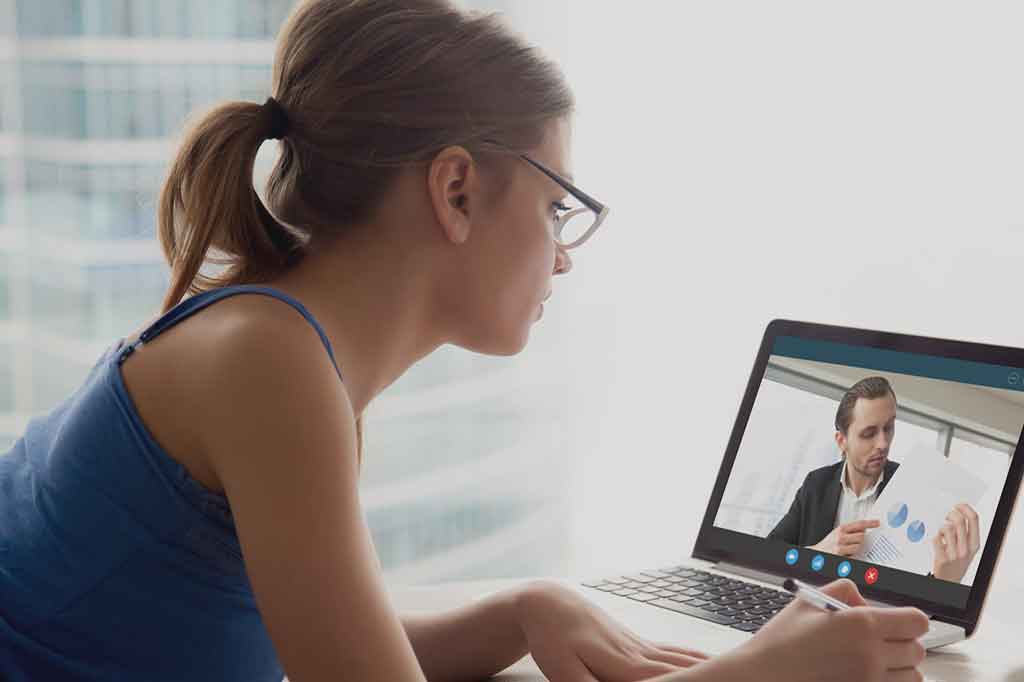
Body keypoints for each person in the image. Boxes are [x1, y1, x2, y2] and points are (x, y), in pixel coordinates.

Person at [0, 1, 929, 680]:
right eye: (557, 207)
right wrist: (767, 671)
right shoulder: (268, 368)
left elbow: (311, 636)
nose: (563, 260)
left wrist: (523, 607)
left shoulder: (280, 350)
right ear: (455, 191)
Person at [768, 376, 981, 583]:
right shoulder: (816, 483)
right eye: (869, 433)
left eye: (888, 428)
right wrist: (819, 552)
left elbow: (921, 587)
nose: (883, 443)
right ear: (842, 441)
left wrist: (946, 580)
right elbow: (768, 553)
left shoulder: (914, 486)